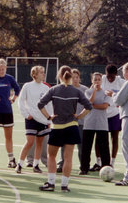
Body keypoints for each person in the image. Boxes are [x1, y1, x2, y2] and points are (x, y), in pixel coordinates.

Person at [38, 65, 92, 193]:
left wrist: (49, 117)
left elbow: (40, 104)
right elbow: (89, 106)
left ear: (60, 76)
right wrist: (79, 116)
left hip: (57, 127)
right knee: (68, 158)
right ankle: (64, 185)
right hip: (72, 127)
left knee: (51, 156)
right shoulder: (77, 91)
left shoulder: (54, 90)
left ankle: (51, 183)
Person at [16, 66, 53, 174]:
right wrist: (26, 114)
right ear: (35, 74)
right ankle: (19, 164)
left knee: (40, 143)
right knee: (29, 142)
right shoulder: (27, 86)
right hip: (31, 119)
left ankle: (36, 165)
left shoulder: (46, 88)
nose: (43, 74)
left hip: (43, 120)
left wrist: (49, 119)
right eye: (41, 72)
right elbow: (21, 101)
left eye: (43, 72)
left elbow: (49, 104)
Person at [0, 58, 20, 168]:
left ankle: (11, 159)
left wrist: (13, 98)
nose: (1, 70)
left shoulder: (9, 78)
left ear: (6, 68)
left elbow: (17, 89)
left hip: (7, 111)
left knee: (9, 137)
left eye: (3, 68)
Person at [91, 64, 124, 171]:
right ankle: (98, 162)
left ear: (116, 74)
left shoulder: (121, 82)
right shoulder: (102, 79)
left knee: (114, 138)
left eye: (112, 76)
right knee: (99, 139)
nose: (110, 78)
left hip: (115, 113)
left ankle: (112, 162)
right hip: (102, 114)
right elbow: (92, 90)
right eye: (108, 76)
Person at [56, 69, 88, 172]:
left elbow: (89, 104)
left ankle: (83, 166)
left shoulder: (85, 90)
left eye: (76, 77)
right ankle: (61, 164)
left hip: (81, 122)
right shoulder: (66, 89)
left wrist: (80, 115)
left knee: (81, 145)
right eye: (72, 77)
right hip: (67, 122)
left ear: (79, 78)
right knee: (64, 144)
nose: (75, 79)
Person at [79, 72, 110, 175]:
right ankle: (84, 168)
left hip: (102, 124)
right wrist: (94, 92)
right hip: (89, 123)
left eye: (99, 79)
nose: (97, 81)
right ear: (92, 81)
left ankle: (106, 167)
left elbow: (105, 106)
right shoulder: (88, 92)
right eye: (95, 79)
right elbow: (89, 103)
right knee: (86, 147)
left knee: (104, 147)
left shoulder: (106, 93)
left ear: (102, 81)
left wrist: (93, 106)